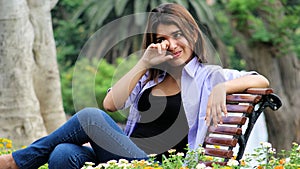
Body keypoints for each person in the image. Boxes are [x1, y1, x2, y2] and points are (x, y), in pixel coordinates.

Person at [0, 3, 269, 169]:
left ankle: (17, 162)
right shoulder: (151, 78)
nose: (172, 45)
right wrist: (144, 62)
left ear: (193, 35)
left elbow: (261, 80)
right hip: (128, 154)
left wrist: (223, 88)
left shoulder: (210, 77)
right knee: (63, 154)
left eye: (178, 35)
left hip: (155, 165)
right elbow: (111, 104)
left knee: (91, 118)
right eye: (163, 39)